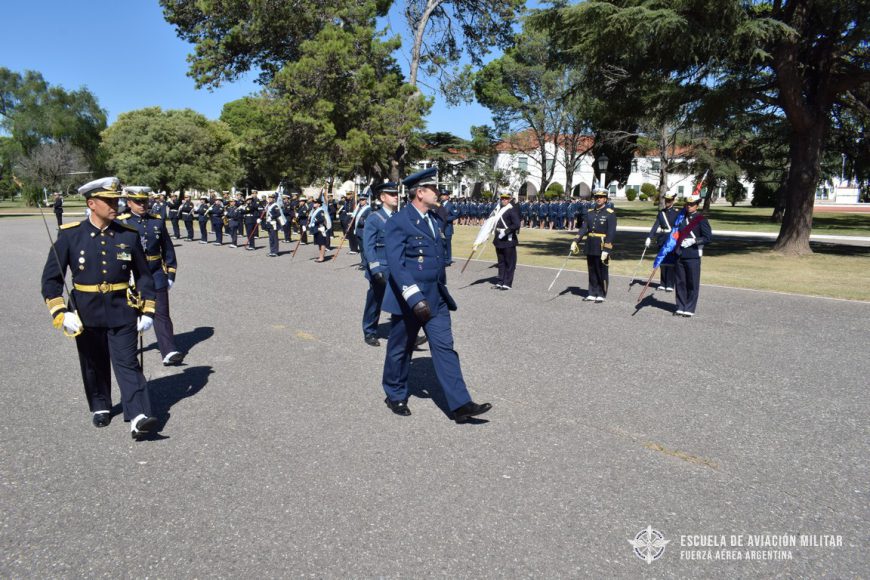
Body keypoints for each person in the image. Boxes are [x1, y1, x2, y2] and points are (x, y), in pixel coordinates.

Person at [40, 177, 160, 440]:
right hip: (85, 312)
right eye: (108, 201)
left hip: (122, 310)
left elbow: (144, 276)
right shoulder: (70, 235)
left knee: (127, 362)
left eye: (116, 199)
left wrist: (148, 309)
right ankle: (101, 405)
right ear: (92, 204)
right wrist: (61, 313)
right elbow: (51, 280)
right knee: (93, 363)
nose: (114, 204)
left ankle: (138, 415)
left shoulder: (128, 235)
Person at [380, 167, 491, 423]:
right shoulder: (399, 220)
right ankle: (395, 393)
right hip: (409, 299)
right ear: (420, 193)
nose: (439, 193)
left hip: (437, 297)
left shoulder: (433, 218)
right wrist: (413, 296)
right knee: (400, 348)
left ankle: (460, 404)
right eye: (434, 189)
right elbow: (396, 264)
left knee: (444, 348)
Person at [120, 186, 185, 366]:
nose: (143, 205)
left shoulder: (156, 221)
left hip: (156, 273)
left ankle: (169, 350)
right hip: (133, 275)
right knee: (131, 315)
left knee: (162, 313)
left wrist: (170, 273)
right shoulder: (121, 222)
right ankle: (127, 350)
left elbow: (168, 248)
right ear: (129, 203)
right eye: (138, 202)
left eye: (145, 201)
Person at [362, 182, 400, 346]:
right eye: (392, 194)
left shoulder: (399, 217)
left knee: (401, 301)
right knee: (375, 301)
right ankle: (370, 331)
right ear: (382, 197)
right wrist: (375, 268)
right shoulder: (374, 218)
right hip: (381, 267)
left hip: (398, 268)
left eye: (396, 194)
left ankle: (403, 334)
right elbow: (368, 246)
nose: (396, 197)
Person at [571, 186, 616, 302]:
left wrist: (607, 249)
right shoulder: (589, 213)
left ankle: (601, 293)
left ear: (605, 199)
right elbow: (584, 228)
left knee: (601, 270)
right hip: (590, 244)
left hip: (602, 245)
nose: (598, 199)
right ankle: (592, 292)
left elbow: (611, 233)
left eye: (601, 197)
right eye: (597, 197)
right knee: (591, 269)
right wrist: (575, 241)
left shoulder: (610, 213)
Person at [673, 191, 713, 317]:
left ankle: (689, 308)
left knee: (692, 283)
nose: (689, 206)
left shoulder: (701, 219)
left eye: (691, 204)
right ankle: (680, 306)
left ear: (697, 205)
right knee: (680, 282)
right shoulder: (681, 218)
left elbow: (708, 238)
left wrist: (694, 241)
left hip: (693, 255)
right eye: (687, 204)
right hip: (680, 254)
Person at [646, 190, 681, 292]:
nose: (668, 202)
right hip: (662, 239)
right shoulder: (661, 213)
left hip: (672, 240)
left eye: (670, 200)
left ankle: (670, 284)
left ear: (673, 200)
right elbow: (655, 226)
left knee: (670, 262)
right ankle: (663, 283)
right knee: (662, 261)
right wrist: (649, 237)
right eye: (666, 200)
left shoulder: (677, 212)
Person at [493, 191, 521, 290]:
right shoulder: (499, 209)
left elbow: (517, 224)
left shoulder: (511, 210)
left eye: (506, 198)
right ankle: (501, 281)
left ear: (509, 199)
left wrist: (506, 231)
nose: (504, 200)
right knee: (501, 262)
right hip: (498, 239)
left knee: (509, 262)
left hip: (508, 240)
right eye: (502, 198)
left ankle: (507, 283)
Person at [435, 189, 459, 265]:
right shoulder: (439, 204)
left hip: (448, 227)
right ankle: (443, 258)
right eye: (441, 195)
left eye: (444, 195)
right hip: (440, 228)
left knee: (447, 244)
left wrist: (447, 219)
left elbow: (455, 215)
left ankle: (448, 260)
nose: (442, 196)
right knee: (442, 243)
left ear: (448, 196)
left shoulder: (451, 205)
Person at [308, 197, 331, 262]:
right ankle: (320, 256)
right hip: (316, 228)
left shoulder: (321, 210)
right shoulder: (315, 210)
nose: (314, 204)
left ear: (319, 204)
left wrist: (315, 221)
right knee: (319, 243)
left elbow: (321, 219)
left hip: (320, 228)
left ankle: (322, 257)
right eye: (314, 202)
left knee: (322, 243)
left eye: (315, 203)